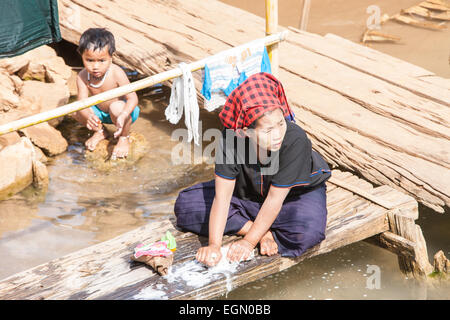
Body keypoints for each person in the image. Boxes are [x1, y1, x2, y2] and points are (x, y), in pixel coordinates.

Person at [174, 72, 332, 267]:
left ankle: (255, 228)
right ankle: (262, 230)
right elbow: (222, 198)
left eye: (281, 123)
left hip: (292, 196)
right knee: (186, 205)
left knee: (307, 232)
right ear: (244, 132)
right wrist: (214, 245)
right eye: (268, 130)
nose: (277, 134)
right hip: (249, 195)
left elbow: (275, 198)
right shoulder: (231, 139)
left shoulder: (295, 139)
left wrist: (248, 242)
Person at [72, 28, 139, 159]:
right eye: (90, 60)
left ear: (111, 58)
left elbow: (132, 99)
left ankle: (124, 137)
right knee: (76, 111)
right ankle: (101, 131)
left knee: (115, 107)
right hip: (101, 113)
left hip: (122, 112)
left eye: (102, 61)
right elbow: (82, 102)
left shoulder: (116, 73)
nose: (95, 66)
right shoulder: (82, 76)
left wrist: (124, 114)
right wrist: (88, 116)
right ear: (82, 57)